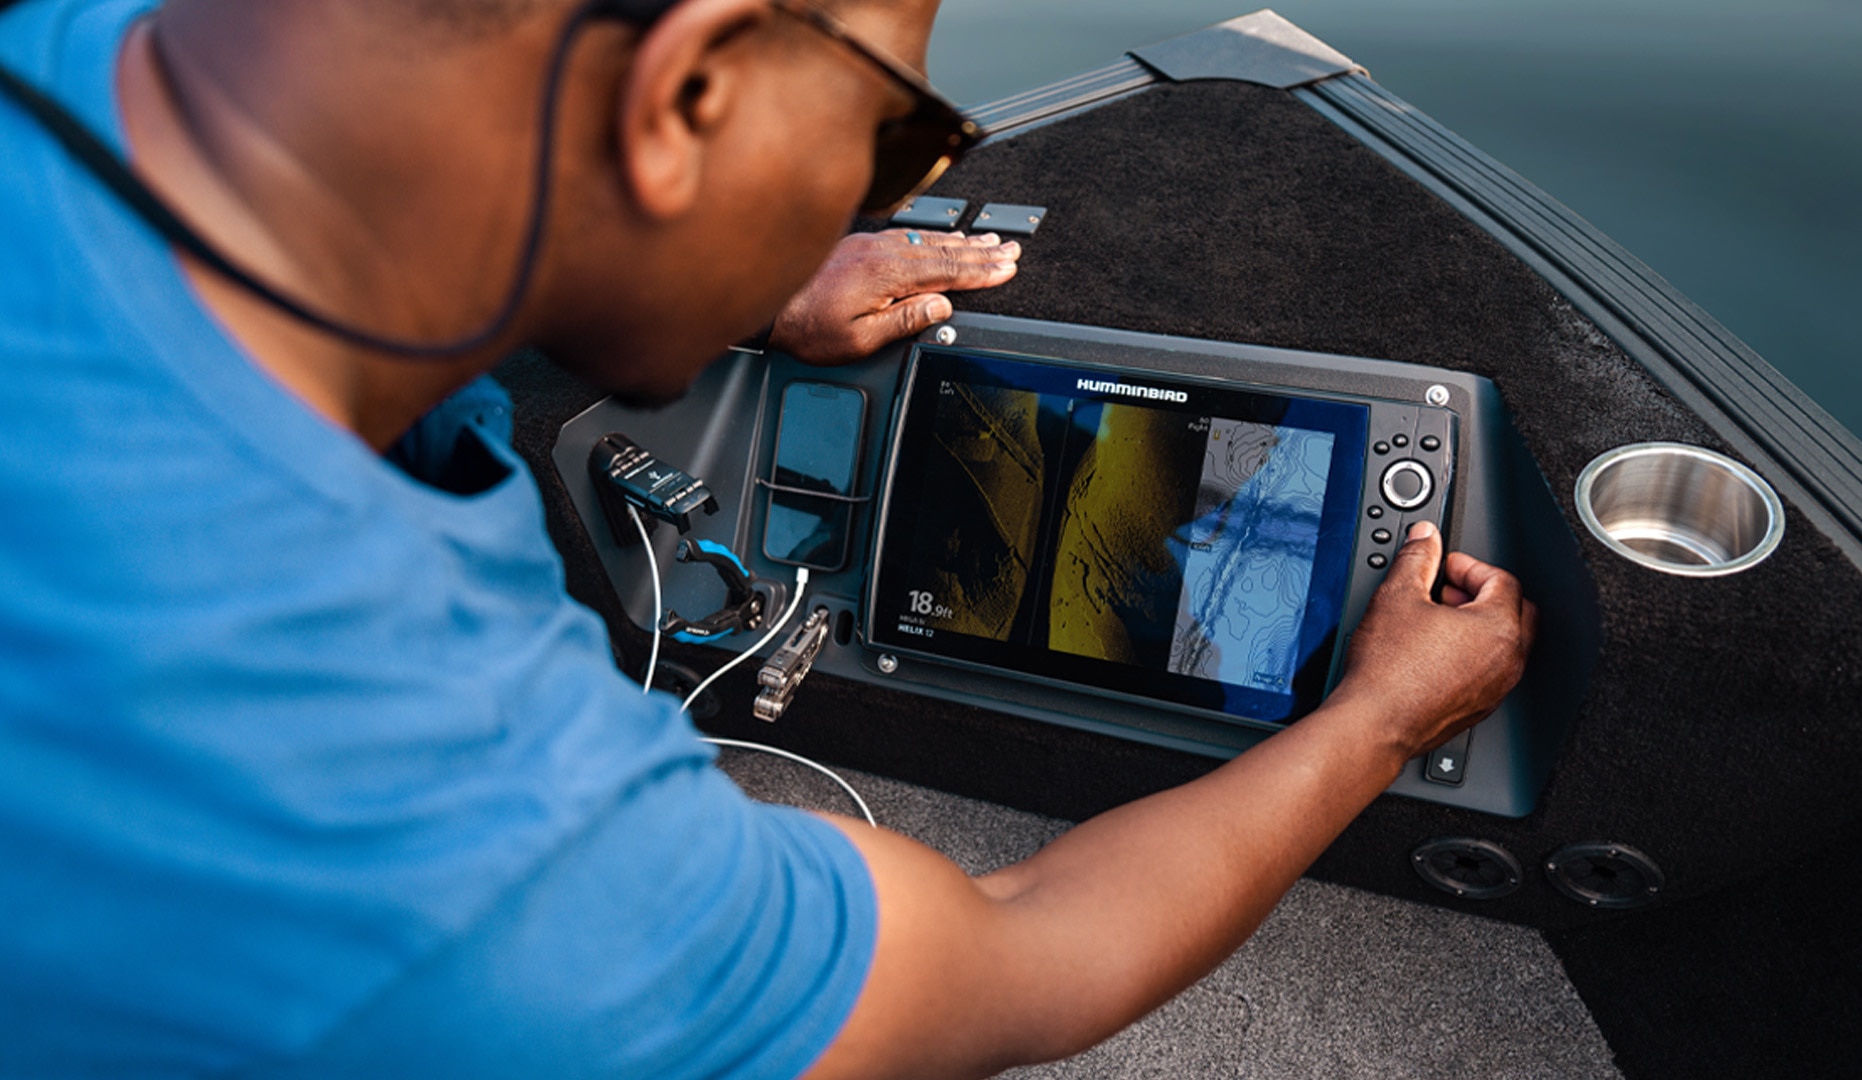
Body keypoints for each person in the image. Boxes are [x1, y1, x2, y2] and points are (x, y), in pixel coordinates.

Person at [0, 0, 1536, 1077]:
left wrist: (703, 265)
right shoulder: (455, 851)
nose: (883, 196)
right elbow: (1026, 952)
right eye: (890, 136)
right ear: (683, 98)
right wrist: (1384, 717)